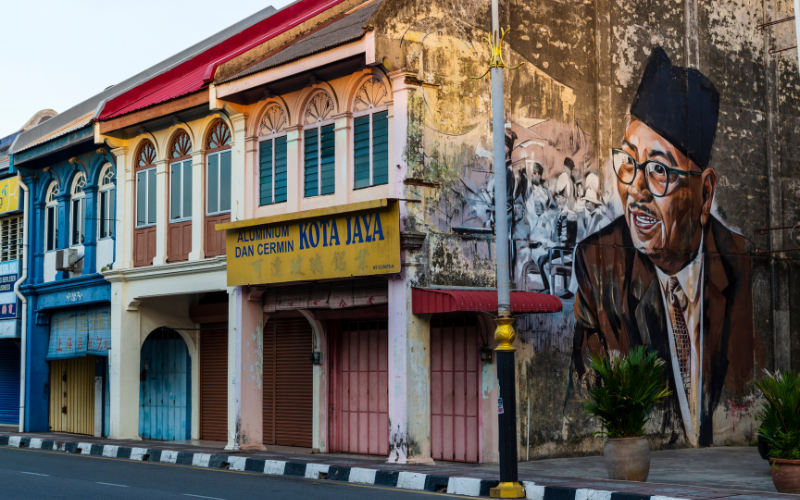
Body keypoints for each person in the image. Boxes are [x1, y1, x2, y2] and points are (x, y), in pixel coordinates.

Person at [572, 47, 754, 447]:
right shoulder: (599, 263)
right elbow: (589, 397)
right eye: (628, 163)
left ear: (704, 194)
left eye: (657, 170)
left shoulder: (740, 263)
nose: (635, 191)